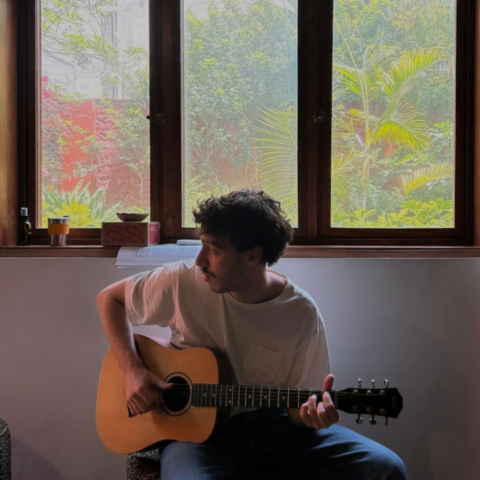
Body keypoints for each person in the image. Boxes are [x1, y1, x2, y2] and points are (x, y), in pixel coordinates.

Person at [97, 189, 407, 480]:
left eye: (214, 250)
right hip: (195, 437)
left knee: (385, 466)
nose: (200, 260)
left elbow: (297, 413)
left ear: (252, 256)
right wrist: (133, 370)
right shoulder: (181, 281)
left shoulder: (300, 313)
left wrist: (312, 415)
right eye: (202, 245)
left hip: (274, 430)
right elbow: (109, 299)